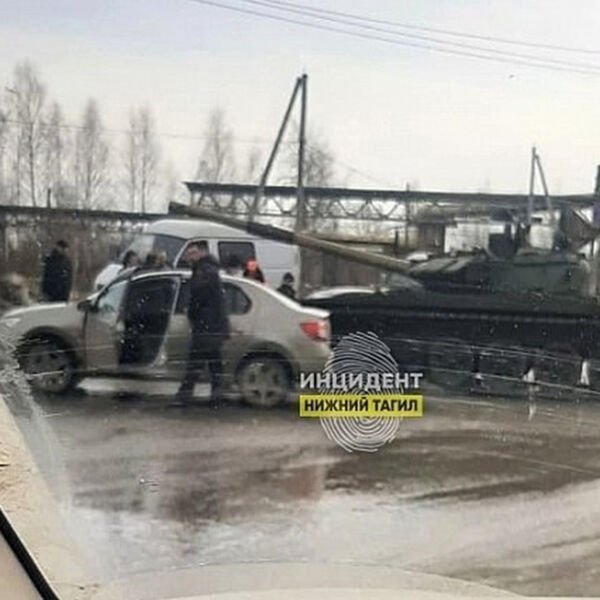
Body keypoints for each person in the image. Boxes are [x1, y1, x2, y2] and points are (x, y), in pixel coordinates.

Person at [175, 241, 230, 404]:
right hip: (213, 325)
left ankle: (184, 396)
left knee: (196, 362)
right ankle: (216, 395)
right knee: (213, 362)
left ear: (202, 252)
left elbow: (198, 297)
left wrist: (191, 313)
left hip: (206, 325)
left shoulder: (203, 271)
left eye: (193, 253)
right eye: (188, 254)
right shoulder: (210, 270)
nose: (190, 257)